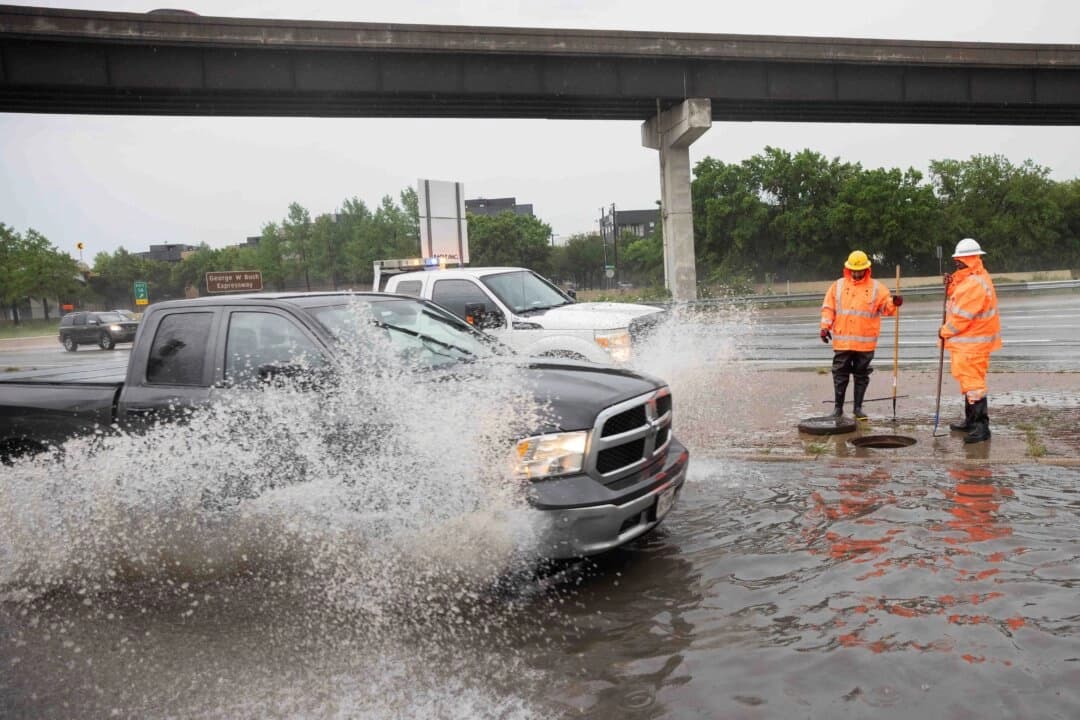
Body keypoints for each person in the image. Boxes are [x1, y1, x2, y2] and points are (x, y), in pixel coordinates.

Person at [819, 250, 903, 419]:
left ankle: (857, 408)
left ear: (867, 269)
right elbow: (829, 308)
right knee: (840, 376)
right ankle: (838, 409)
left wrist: (894, 303)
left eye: (860, 270)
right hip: (843, 342)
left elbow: (886, 307)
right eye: (854, 270)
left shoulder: (877, 288)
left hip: (865, 343)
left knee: (861, 376)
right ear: (848, 269)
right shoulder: (838, 286)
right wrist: (825, 327)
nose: (856, 273)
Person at [940, 237, 1002, 443]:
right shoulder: (972, 278)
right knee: (969, 384)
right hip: (967, 343)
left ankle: (980, 427)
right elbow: (957, 295)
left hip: (972, 344)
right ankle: (970, 421)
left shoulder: (974, 284)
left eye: (960, 260)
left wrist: (944, 331)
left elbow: (962, 316)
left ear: (970, 259)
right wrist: (950, 284)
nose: (957, 263)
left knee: (974, 386)